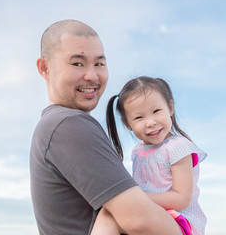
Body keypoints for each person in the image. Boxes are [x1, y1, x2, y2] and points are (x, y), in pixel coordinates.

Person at [30, 20, 182, 235]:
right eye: (77, 64)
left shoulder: (54, 126)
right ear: (45, 68)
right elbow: (140, 220)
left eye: (99, 64)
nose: (92, 75)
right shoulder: (69, 125)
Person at [93, 76, 207, 235]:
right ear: (128, 124)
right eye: (139, 117)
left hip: (178, 220)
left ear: (170, 108)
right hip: (149, 213)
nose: (150, 122)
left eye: (156, 111)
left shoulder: (178, 147)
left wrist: (138, 198)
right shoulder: (137, 151)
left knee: (112, 210)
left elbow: (182, 199)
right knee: (108, 211)